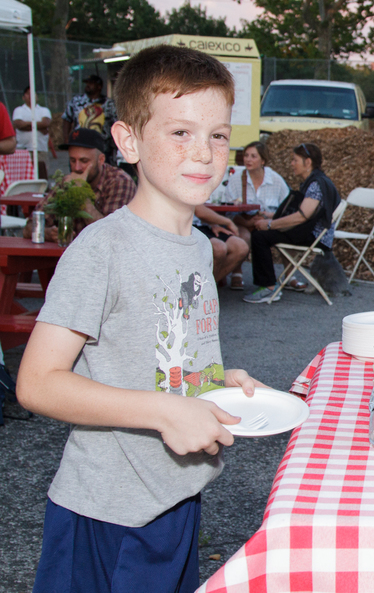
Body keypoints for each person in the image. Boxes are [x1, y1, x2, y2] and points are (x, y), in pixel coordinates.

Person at [17, 44, 264, 593]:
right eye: (180, 133)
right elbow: (36, 383)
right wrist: (161, 411)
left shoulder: (199, 247)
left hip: (174, 499)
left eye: (218, 135)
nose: (203, 152)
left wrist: (217, 381)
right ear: (128, 141)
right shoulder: (102, 249)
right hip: (105, 511)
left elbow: (161, 354)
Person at [243, 142, 339, 303]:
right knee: (264, 232)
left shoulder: (316, 184)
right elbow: (304, 213)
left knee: (260, 236)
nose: (292, 164)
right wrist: (272, 216)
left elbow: (302, 216)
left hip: (314, 236)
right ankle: (279, 281)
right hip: (312, 232)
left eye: (295, 160)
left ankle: (268, 287)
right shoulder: (316, 181)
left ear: (307, 162)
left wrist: (269, 224)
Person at [23, 128, 136, 243]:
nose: (77, 167)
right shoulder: (68, 181)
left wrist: (81, 195)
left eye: (84, 161)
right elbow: (29, 227)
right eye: (72, 160)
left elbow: (110, 236)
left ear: (101, 160)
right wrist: (48, 233)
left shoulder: (119, 182)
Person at [224, 141, 289, 289]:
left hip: (269, 224)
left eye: (253, 156)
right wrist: (247, 222)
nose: (248, 159)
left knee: (286, 232)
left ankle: (289, 275)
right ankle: (237, 273)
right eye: (246, 155)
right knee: (243, 236)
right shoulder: (236, 180)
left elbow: (286, 210)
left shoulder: (276, 180)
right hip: (243, 222)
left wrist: (269, 218)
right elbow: (227, 212)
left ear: (263, 160)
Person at [62, 73, 118, 163]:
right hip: (80, 145)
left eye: (91, 83)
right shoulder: (76, 101)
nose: (87, 85)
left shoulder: (109, 104)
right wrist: (66, 138)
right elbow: (67, 118)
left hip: (103, 147)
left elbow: (116, 123)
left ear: (99, 86)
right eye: (87, 83)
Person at [193, 203, 250, 287]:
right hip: (188, 227)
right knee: (219, 248)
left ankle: (209, 287)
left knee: (240, 247)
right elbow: (199, 211)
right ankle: (203, 291)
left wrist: (213, 223)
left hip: (203, 224)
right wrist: (228, 222)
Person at [12, 86, 53, 177]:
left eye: (33, 93)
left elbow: (46, 123)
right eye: (27, 93)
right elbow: (19, 124)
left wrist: (26, 124)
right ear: (23, 97)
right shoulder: (19, 110)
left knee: (42, 174)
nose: (30, 95)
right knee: (23, 175)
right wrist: (38, 126)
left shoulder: (44, 110)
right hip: (23, 149)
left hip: (40, 149)